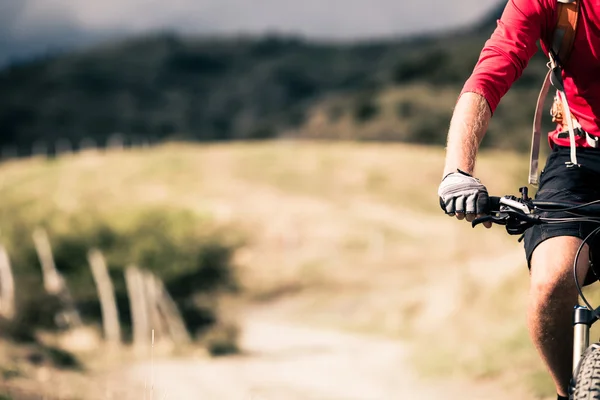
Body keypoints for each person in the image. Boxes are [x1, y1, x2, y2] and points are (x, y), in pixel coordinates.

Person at [437, 1, 600, 399]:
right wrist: (457, 170)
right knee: (550, 282)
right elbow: (489, 76)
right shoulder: (553, 3)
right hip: (582, 156)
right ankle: (574, 392)